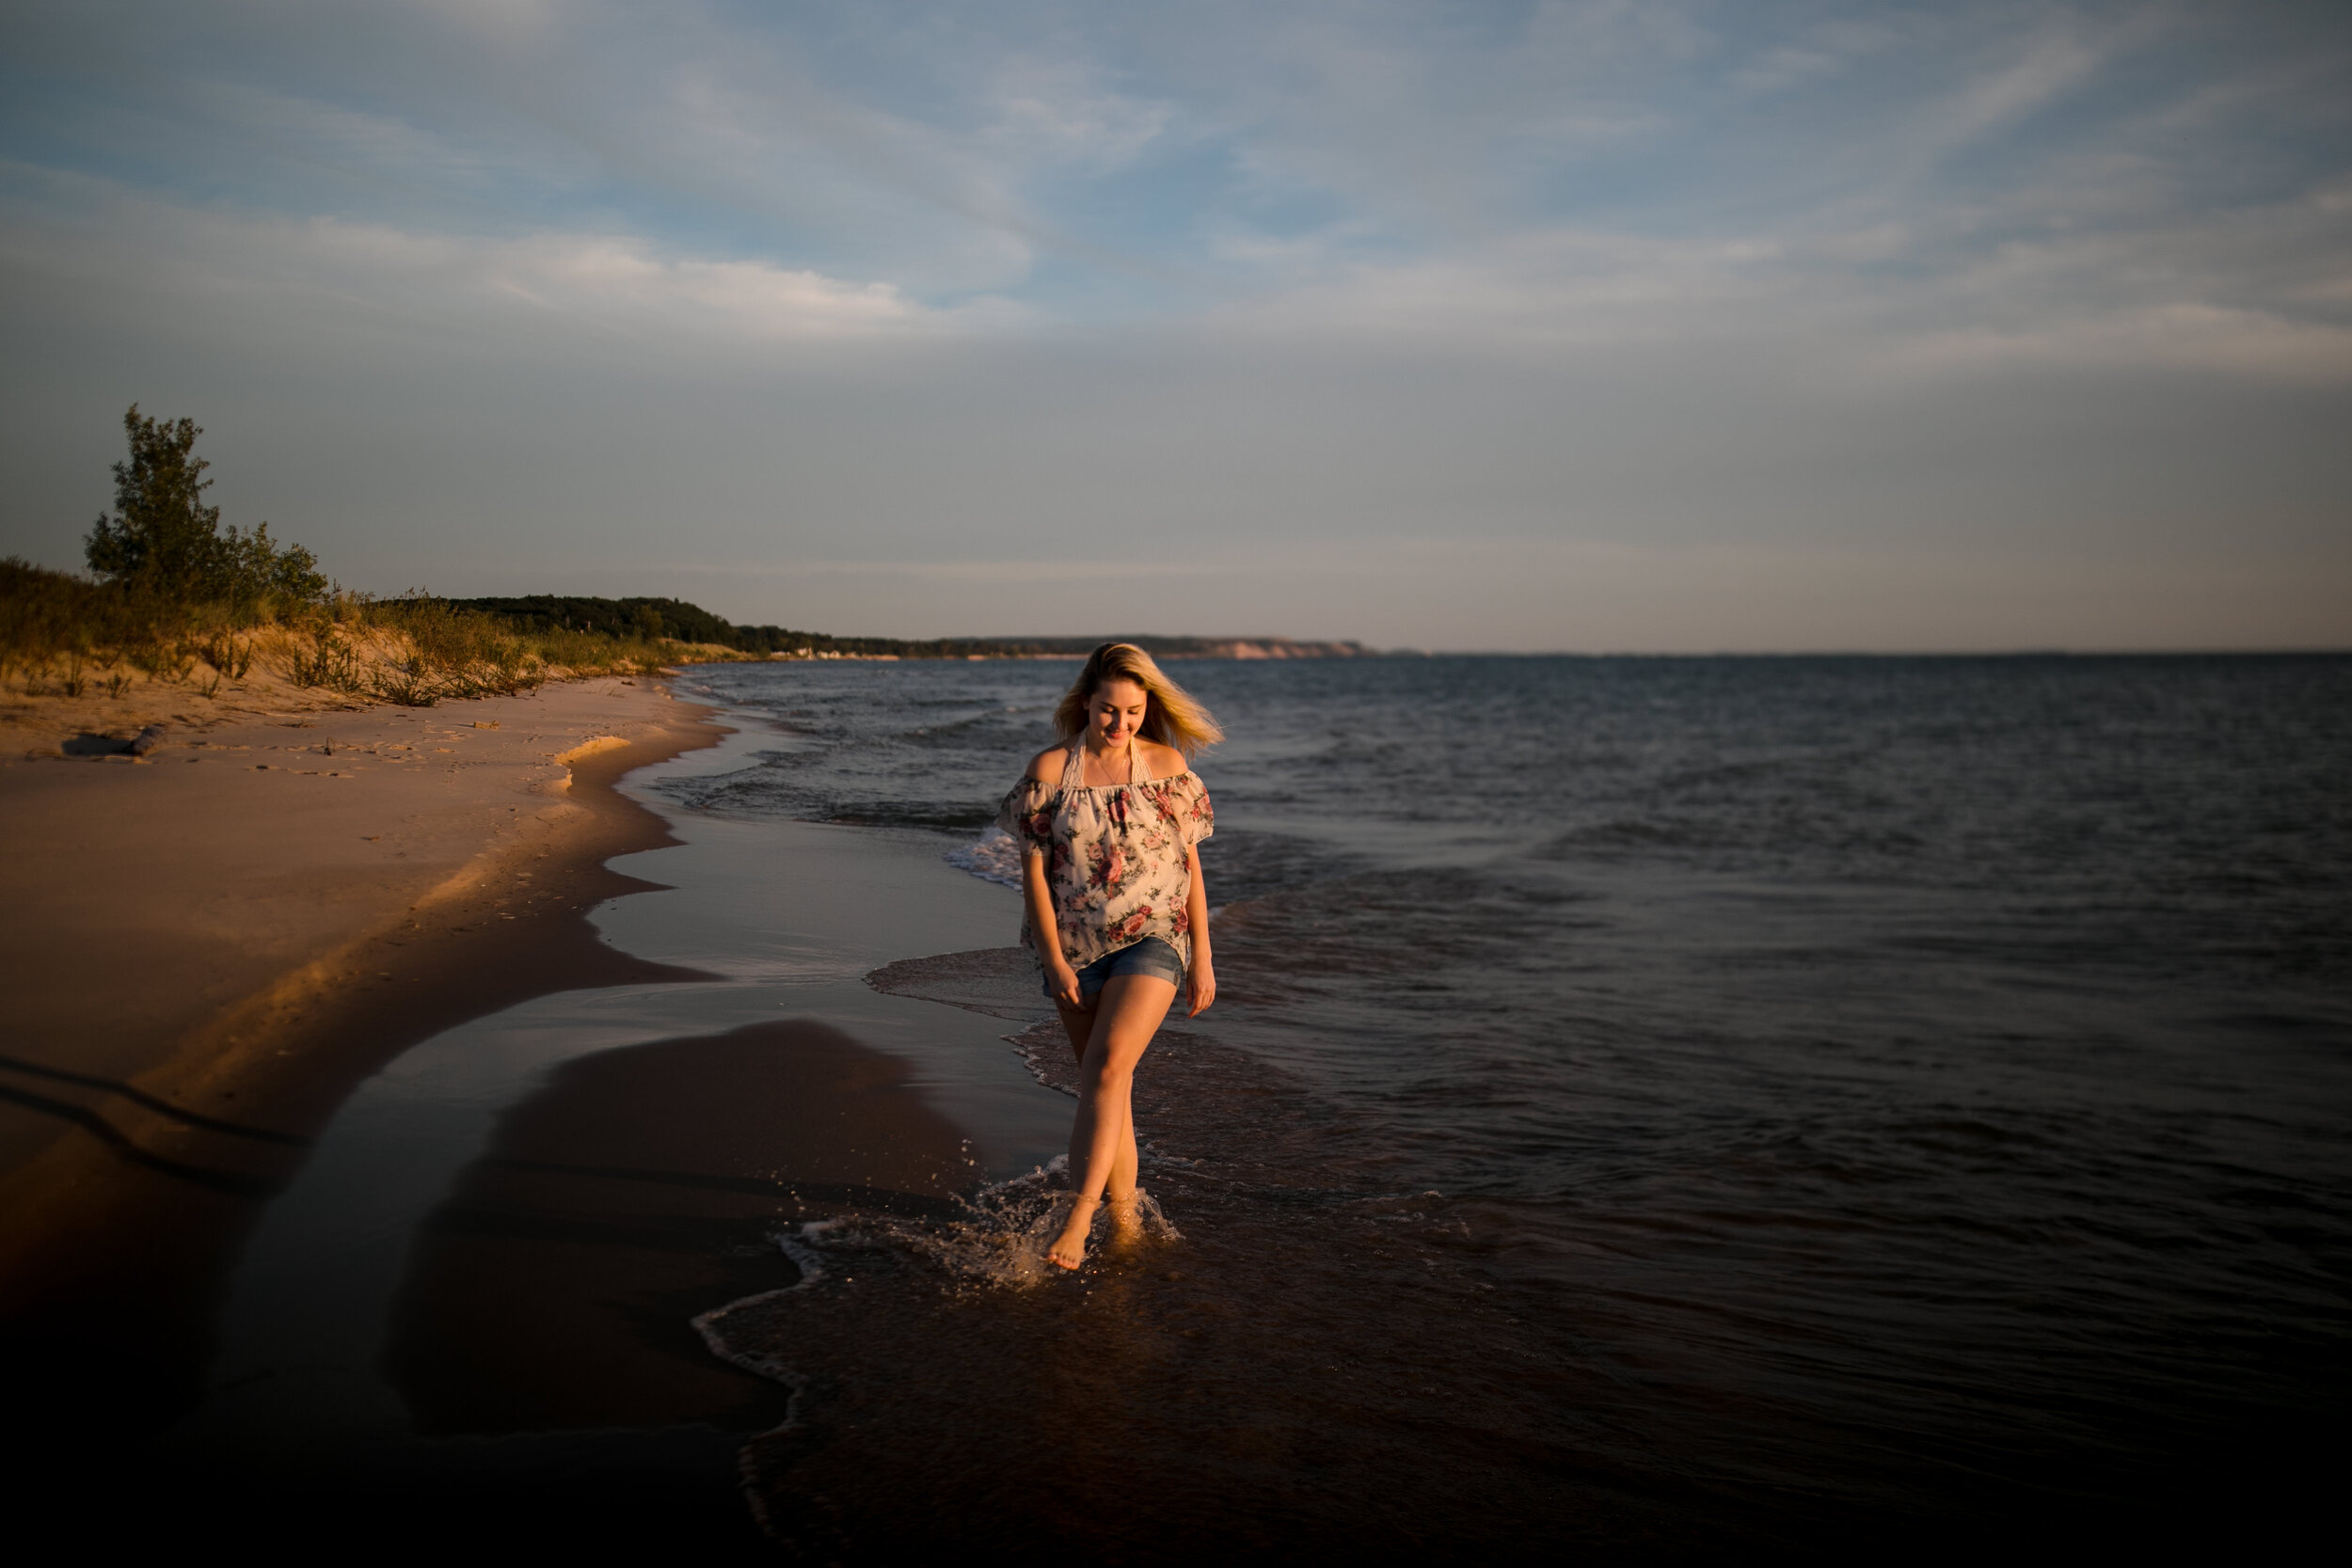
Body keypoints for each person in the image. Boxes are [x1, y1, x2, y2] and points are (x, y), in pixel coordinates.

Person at [996, 642, 1220, 1270]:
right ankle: (1125, 1221)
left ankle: (1077, 1218)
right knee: (1107, 1086)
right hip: (1074, 948)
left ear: (1147, 708)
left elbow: (1191, 868)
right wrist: (1056, 962)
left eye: (1133, 711)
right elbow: (1034, 879)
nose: (1120, 725)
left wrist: (1203, 955)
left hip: (1156, 934)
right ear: (1084, 703)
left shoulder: (1167, 765)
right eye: (1107, 711)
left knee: (1109, 1066)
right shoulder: (1050, 772)